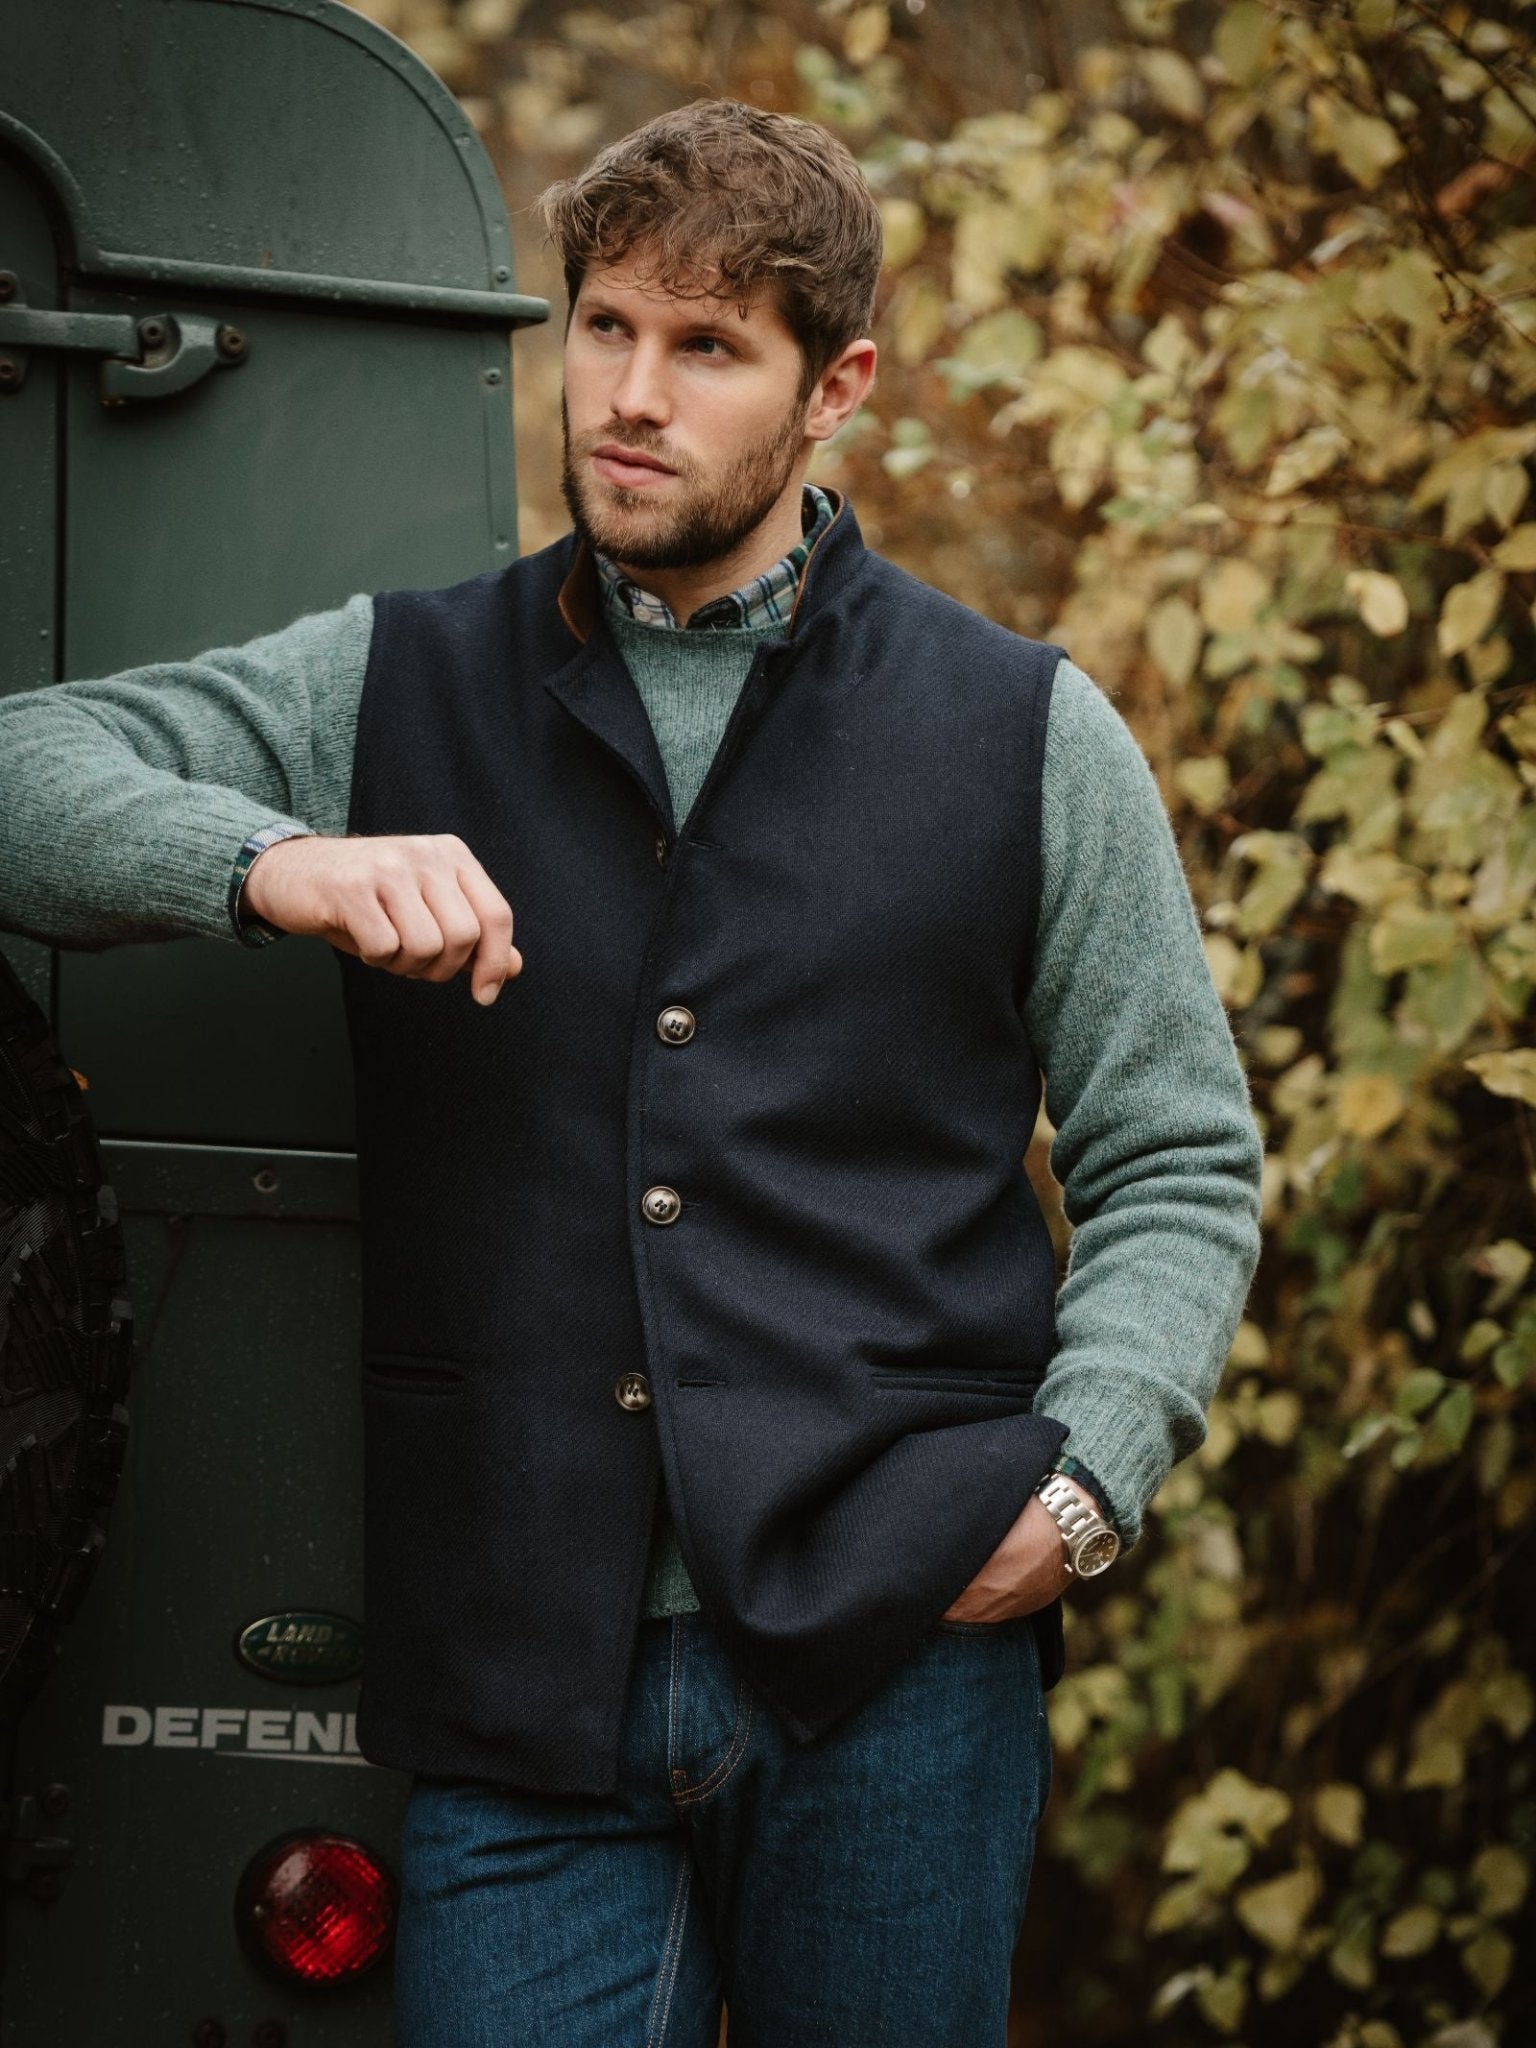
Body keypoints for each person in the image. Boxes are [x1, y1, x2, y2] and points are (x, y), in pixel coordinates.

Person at [0, 100, 1262, 2048]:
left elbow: (1177, 1148)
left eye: (706, 346)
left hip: (895, 1672)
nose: (630, 395)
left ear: (834, 384)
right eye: (602, 327)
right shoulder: (393, 679)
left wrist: (1087, 1482)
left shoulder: (1023, 733)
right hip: (520, 1687)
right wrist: (271, 862)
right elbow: (22, 776)